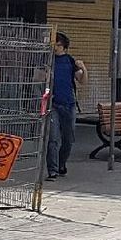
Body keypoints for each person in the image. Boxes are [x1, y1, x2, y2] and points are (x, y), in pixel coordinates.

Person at [47, 32, 86, 179]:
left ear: (63, 46)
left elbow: (82, 80)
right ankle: (53, 169)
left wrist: (84, 68)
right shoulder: (48, 61)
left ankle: (61, 163)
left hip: (69, 104)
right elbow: (36, 78)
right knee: (53, 139)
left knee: (68, 139)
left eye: (57, 45)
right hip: (54, 104)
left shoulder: (70, 61)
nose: (55, 48)